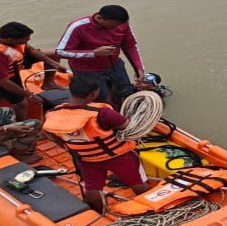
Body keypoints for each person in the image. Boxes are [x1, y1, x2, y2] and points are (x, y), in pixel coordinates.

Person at [42, 75, 154, 213]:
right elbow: (127, 127)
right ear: (94, 93)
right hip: (119, 156)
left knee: (92, 189)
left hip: (87, 160)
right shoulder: (102, 113)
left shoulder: (52, 113)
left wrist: (71, 147)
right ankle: (152, 209)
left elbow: (51, 134)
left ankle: (99, 213)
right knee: (138, 184)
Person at [0, 22, 66, 120]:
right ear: (11, 40)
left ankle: (48, 83)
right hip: (0, 77)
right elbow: (3, 81)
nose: (27, 41)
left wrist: (54, 64)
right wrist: (29, 95)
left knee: (53, 54)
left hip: (14, 62)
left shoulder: (6, 36)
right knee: (21, 104)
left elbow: (32, 50)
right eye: (26, 39)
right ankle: (24, 125)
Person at [54, 5, 152, 106]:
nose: (116, 28)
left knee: (126, 91)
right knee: (101, 100)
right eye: (113, 26)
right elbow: (60, 51)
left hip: (115, 65)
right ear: (100, 18)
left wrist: (139, 68)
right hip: (87, 71)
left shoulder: (122, 24)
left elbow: (130, 46)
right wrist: (93, 53)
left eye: (118, 25)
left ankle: (124, 110)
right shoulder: (78, 27)